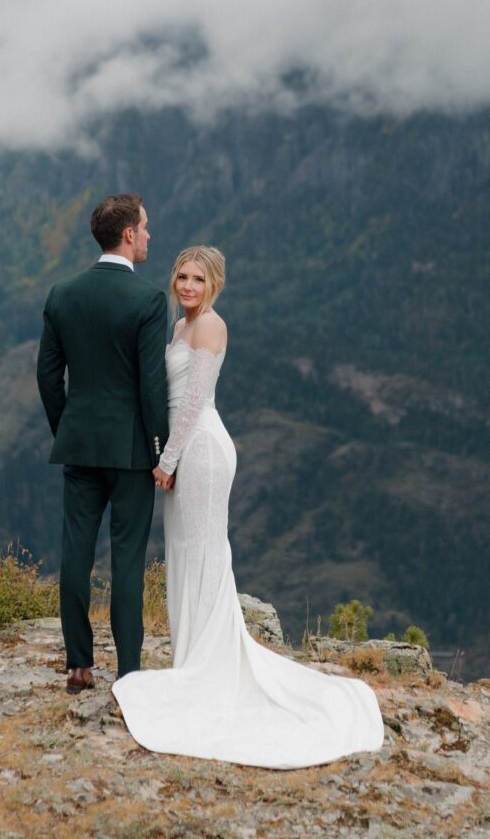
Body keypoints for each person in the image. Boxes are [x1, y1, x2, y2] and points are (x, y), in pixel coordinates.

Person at [112, 245, 384, 768]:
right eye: (181, 277)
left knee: (207, 553)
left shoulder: (211, 326)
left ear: (214, 284)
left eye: (197, 279)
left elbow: (193, 401)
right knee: (186, 554)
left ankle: (208, 667)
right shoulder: (178, 325)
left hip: (203, 454)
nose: (187, 286)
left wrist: (166, 460)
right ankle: (191, 658)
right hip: (183, 452)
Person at [37, 194, 169, 693]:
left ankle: (78, 665)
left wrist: (67, 429)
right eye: (146, 227)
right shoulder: (148, 300)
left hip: (79, 444)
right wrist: (161, 452)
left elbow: (48, 377)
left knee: (75, 551)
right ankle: (130, 671)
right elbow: (151, 387)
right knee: (127, 558)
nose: (150, 235)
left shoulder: (62, 294)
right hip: (133, 451)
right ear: (129, 235)